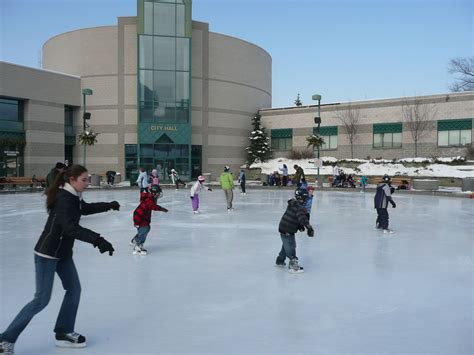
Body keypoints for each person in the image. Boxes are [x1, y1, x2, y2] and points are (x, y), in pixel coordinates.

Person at [0, 165, 118, 354]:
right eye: (84, 180)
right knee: (41, 300)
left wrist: (108, 205)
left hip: (63, 253)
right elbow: (71, 228)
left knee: (74, 290)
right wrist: (98, 240)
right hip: (47, 253)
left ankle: (63, 332)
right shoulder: (64, 199)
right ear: (72, 180)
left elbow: (84, 208)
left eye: (88, 179)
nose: (87, 183)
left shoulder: (73, 196)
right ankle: (5, 340)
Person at [275, 188, 314, 273]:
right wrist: (309, 227)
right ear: (302, 198)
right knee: (291, 246)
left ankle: (280, 260)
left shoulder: (293, 204)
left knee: (286, 246)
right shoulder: (300, 207)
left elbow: (294, 216)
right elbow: (302, 218)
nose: (306, 200)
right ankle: (293, 264)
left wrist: (299, 225)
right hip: (288, 229)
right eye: (306, 198)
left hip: (284, 227)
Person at [130, 184, 168, 255]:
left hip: (141, 216)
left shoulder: (148, 196)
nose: (159, 195)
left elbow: (143, 194)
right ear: (154, 193)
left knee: (143, 230)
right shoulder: (149, 199)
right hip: (140, 217)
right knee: (145, 229)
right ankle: (137, 246)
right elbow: (153, 206)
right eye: (158, 193)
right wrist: (162, 209)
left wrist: (146, 189)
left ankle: (134, 241)